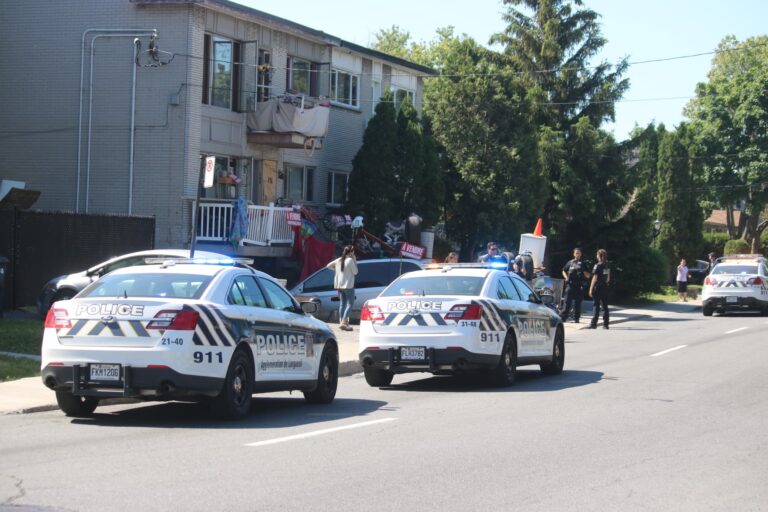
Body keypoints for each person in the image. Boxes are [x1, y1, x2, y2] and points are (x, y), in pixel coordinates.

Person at [326, 245, 358, 331]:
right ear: (351, 252)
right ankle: (344, 321)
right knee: (350, 304)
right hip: (348, 286)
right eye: (353, 251)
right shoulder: (350, 260)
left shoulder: (339, 259)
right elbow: (355, 272)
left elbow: (328, 266)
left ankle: (342, 322)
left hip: (339, 286)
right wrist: (354, 260)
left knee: (342, 304)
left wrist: (337, 270)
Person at [560, 247, 590, 323]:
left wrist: (584, 271)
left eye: (578, 253)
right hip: (570, 285)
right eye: (576, 253)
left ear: (581, 254)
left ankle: (577, 318)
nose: (577, 254)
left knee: (578, 303)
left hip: (579, 285)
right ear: (574, 254)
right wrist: (566, 277)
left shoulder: (584, 263)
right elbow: (563, 270)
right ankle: (563, 317)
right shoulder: (570, 262)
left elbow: (588, 276)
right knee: (567, 302)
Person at [588, 249, 610, 329]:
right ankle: (606, 324)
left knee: (596, 306)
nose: (596, 256)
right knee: (605, 306)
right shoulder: (607, 265)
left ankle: (593, 324)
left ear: (599, 256)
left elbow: (594, 278)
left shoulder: (597, 265)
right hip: (605, 287)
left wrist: (591, 289)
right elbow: (608, 278)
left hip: (597, 287)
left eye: (597, 255)